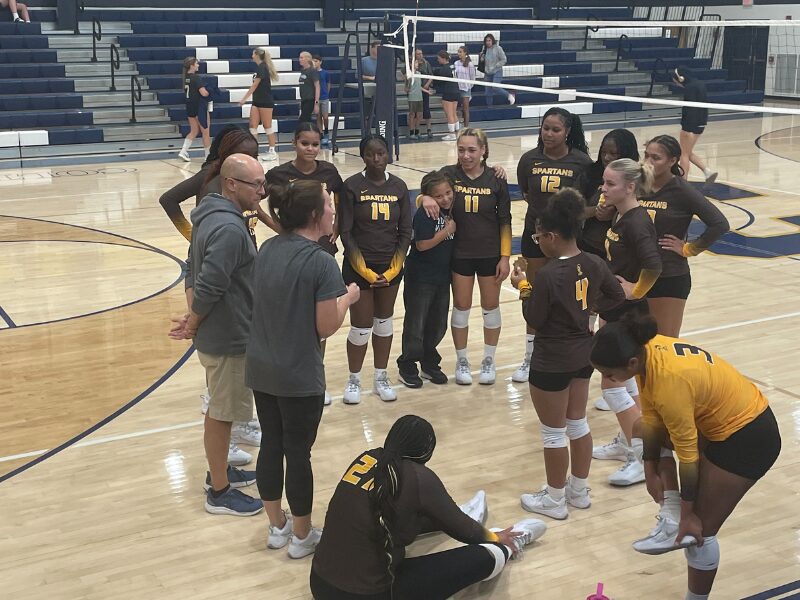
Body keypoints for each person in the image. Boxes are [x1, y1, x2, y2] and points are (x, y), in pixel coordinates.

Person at [590, 315, 781, 600]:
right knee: (640, 427)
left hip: (748, 438)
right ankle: (671, 515)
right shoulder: (645, 350)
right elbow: (651, 420)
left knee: (698, 532)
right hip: (724, 424)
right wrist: (649, 470)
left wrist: (689, 515)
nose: (606, 380)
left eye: (608, 374)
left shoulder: (669, 382)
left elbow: (688, 457)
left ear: (631, 363)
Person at [310, 415, 548, 600]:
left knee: (387, 516)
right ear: (426, 451)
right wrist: (496, 537)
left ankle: (454, 517)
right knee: (480, 558)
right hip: (371, 596)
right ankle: (507, 546)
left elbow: (388, 515)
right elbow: (468, 533)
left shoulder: (366, 458)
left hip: (319, 584)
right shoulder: (419, 476)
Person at [246, 179, 360, 559]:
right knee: (298, 454)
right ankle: (301, 536)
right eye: (328, 204)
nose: (333, 210)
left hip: (261, 368)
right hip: (298, 374)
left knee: (271, 444)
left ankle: (276, 526)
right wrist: (348, 298)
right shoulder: (321, 262)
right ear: (314, 215)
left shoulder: (267, 249)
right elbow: (325, 327)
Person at [510, 189, 625, 519]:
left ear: (552, 236)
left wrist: (523, 287)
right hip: (583, 356)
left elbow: (534, 319)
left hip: (551, 360)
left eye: (539, 237)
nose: (538, 243)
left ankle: (555, 499)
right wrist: (590, 311)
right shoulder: (594, 262)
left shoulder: (548, 274)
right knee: (578, 423)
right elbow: (617, 297)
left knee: (553, 432)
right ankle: (578, 491)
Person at [168, 154, 266, 517]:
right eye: (256, 184)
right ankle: (219, 491)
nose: (262, 191)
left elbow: (191, 267)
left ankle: (221, 471)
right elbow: (210, 283)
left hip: (218, 330)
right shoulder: (229, 229)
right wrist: (194, 320)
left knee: (220, 408)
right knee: (222, 414)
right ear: (231, 184)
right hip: (228, 336)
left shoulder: (209, 215)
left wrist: (194, 313)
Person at [590, 158, 662, 487]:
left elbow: (654, 265)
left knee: (612, 383)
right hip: (614, 308)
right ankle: (626, 440)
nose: (603, 189)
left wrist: (636, 291)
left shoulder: (637, 222)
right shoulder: (621, 214)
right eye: (604, 182)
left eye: (610, 184)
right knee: (627, 384)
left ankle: (641, 455)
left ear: (630, 187)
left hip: (627, 313)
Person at [421, 128, 511, 385]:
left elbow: (505, 220)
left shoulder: (496, 178)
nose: (466, 155)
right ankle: (462, 361)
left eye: (472, 150)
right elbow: (428, 190)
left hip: (490, 254)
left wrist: (505, 257)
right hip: (460, 253)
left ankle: (489, 360)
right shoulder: (449, 174)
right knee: (461, 307)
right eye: (461, 150)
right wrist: (424, 197)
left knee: (490, 308)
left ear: (483, 150)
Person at [266, 123, 345, 404]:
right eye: (305, 143)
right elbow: (259, 201)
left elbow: (342, 202)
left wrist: (337, 227)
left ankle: (315, 376)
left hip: (321, 249)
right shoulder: (278, 175)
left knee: (319, 321)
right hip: (292, 251)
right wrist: (276, 227)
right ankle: (287, 377)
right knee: (293, 317)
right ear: (294, 143)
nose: (310, 149)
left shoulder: (329, 172)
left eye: (315, 144)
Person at [513, 107, 592, 383]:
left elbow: (584, 201)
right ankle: (530, 357)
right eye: (545, 128)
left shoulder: (582, 162)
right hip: (535, 235)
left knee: (566, 293)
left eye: (555, 129)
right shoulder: (529, 160)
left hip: (568, 238)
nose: (548, 134)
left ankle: (567, 352)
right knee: (535, 294)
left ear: (567, 131)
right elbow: (526, 193)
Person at [338, 135, 412, 404]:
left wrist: (392, 270)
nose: (377, 158)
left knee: (384, 322)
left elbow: (405, 231)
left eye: (381, 153)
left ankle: (381, 377)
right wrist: (366, 272)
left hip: (390, 267)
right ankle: (354, 379)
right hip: (358, 267)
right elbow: (346, 232)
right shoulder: (351, 186)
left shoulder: (399, 186)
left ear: (388, 154)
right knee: (361, 326)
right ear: (363, 157)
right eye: (371, 154)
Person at [640, 134, 729, 337]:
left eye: (656, 158)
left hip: (668, 275)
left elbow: (719, 224)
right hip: (636, 273)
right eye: (646, 156)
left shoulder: (681, 190)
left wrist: (689, 249)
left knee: (664, 343)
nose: (648, 162)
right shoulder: (638, 184)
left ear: (672, 161)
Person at [396, 170, 456, 388]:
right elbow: (421, 245)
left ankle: (429, 362)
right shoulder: (426, 213)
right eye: (438, 196)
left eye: (448, 193)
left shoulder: (453, 210)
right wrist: (447, 230)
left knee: (438, 324)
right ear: (430, 197)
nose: (445, 198)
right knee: (416, 324)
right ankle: (407, 364)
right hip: (420, 277)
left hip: (442, 276)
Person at [160, 124, 245, 242]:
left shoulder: (243, 173)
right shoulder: (211, 172)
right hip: (212, 246)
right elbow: (168, 199)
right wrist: (192, 236)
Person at [199, 127, 278, 238]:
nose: (251, 160)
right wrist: (188, 232)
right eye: (244, 156)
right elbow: (171, 198)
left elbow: (256, 208)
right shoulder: (214, 189)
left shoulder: (249, 184)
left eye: (255, 156)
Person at [673, 66, 717, 183]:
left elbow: (690, 109)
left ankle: (683, 182)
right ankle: (707, 172)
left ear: (681, 78)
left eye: (676, 82)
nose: (677, 84)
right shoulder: (700, 84)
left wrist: (686, 127)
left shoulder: (690, 88)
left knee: (683, 154)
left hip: (690, 125)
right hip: (701, 123)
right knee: (687, 151)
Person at [238, 47, 280, 162]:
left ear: (257, 55)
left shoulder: (262, 67)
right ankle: (253, 150)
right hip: (256, 101)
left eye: (253, 54)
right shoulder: (259, 67)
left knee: (267, 126)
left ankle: (272, 151)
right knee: (252, 126)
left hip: (265, 101)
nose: (252, 56)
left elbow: (255, 85)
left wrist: (244, 99)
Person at [178, 57, 211, 162]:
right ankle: (208, 156)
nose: (198, 65)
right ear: (192, 65)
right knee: (206, 132)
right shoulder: (196, 78)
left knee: (194, 131)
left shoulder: (185, 78)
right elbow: (204, 93)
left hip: (190, 107)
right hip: (199, 107)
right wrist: (210, 92)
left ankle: (183, 151)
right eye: (197, 63)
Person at [479, 34, 515, 106]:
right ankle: (489, 107)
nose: (488, 42)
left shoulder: (498, 48)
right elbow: (482, 61)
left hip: (497, 71)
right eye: (486, 41)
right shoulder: (484, 49)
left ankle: (509, 95)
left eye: (489, 40)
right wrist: (481, 58)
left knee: (495, 87)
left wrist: (496, 65)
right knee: (488, 92)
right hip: (487, 72)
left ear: (492, 41)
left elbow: (504, 59)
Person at [433, 50, 461, 141]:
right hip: (456, 90)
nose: (438, 60)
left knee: (449, 114)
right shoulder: (452, 65)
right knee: (454, 113)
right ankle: (457, 133)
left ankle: (451, 134)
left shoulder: (444, 69)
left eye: (439, 58)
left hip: (449, 92)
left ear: (443, 58)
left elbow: (440, 81)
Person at [454, 45, 477, 127]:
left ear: (465, 53)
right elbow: (455, 75)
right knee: (455, 108)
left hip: (465, 89)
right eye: (458, 52)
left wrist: (468, 87)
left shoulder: (470, 64)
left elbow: (472, 77)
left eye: (460, 52)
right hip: (457, 88)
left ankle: (466, 127)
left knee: (465, 109)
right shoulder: (456, 63)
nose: (459, 53)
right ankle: (456, 126)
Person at [415, 48, 434, 140]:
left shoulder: (426, 63)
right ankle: (416, 130)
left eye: (421, 53)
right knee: (417, 111)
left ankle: (429, 130)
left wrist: (427, 84)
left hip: (425, 89)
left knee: (426, 109)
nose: (420, 55)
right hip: (415, 90)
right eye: (418, 54)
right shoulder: (412, 64)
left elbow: (431, 75)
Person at [312, 54, 332, 147]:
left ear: (320, 62)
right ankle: (320, 133)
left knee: (325, 116)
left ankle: (326, 131)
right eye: (313, 61)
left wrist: (326, 93)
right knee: (318, 116)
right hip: (316, 97)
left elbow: (328, 84)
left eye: (316, 61)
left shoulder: (325, 73)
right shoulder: (312, 73)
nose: (314, 63)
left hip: (324, 97)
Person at [298, 51, 320, 124]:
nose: (300, 59)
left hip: (310, 99)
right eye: (300, 58)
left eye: (301, 58)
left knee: (304, 120)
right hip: (304, 99)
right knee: (305, 120)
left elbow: (317, 86)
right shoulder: (303, 70)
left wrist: (316, 103)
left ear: (307, 59)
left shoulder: (312, 71)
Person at [405, 57, 424, 141]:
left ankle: (417, 131)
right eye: (415, 63)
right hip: (412, 98)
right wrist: (409, 89)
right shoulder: (409, 75)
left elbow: (419, 86)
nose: (417, 64)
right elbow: (406, 88)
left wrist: (427, 91)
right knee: (412, 115)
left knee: (419, 115)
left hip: (419, 97)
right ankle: (411, 132)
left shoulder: (419, 73)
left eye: (417, 62)